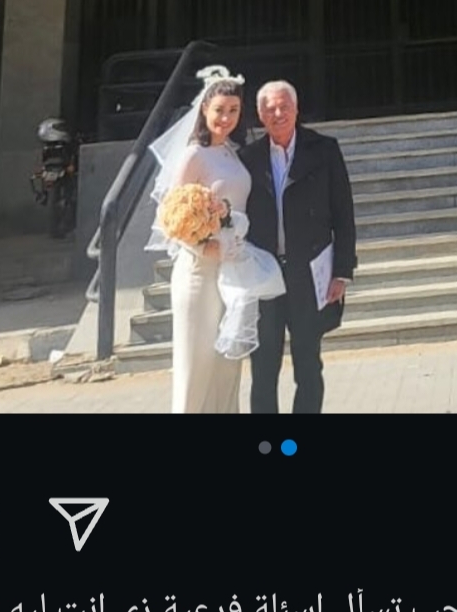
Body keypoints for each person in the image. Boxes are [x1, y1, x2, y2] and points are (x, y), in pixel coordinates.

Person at [147, 66, 282, 414]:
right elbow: (171, 216)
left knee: (227, 367)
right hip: (199, 272)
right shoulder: (193, 155)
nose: (226, 118)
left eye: (233, 110)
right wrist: (203, 246)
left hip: (232, 271)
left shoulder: (231, 152)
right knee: (197, 367)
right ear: (204, 108)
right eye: (219, 109)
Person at [244, 80, 357, 415]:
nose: (277, 114)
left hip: (308, 273)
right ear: (260, 115)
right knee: (263, 368)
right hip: (264, 276)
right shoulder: (248, 158)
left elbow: (343, 213)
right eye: (269, 108)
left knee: (308, 365)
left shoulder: (324, 150)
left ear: (296, 109)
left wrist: (342, 271)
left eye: (284, 106)